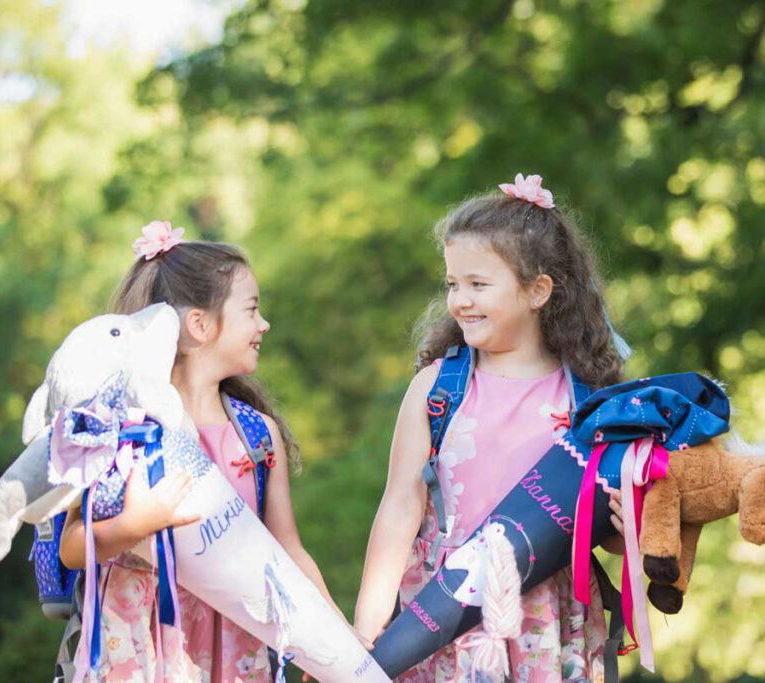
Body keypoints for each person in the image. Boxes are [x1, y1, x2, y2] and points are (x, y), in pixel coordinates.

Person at [355, 174, 628, 681]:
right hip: (444, 612)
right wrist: (370, 622)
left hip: (547, 617)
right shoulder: (439, 389)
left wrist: (623, 526)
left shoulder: (588, 402)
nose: (460, 300)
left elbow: (602, 532)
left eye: (479, 285)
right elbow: (400, 505)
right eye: (453, 284)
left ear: (538, 290)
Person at [59, 221, 333, 682]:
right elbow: (72, 545)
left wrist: (331, 637)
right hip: (137, 651)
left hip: (236, 653)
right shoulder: (120, 426)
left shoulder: (256, 434)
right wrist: (135, 525)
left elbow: (287, 549)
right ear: (200, 325)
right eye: (251, 310)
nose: (263, 323)